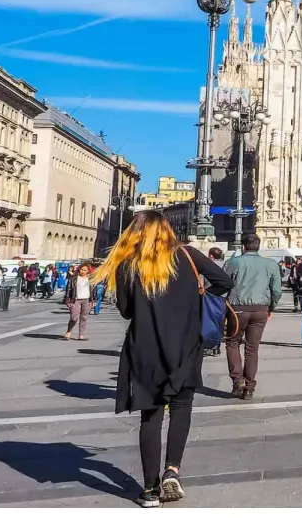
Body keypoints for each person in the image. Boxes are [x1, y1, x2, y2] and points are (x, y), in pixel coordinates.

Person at [92, 210, 233, 507]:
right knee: (182, 409)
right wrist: (197, 296)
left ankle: (149, 490)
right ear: (167, 229)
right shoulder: (189, 255)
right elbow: (223, 282)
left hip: (146, 348)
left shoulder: (128, 264)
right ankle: (173, 470)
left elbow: (127, 311)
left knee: (151, 417)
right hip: (186, 346)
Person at [223, 234, 282, 400]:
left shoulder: (232, 262)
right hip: (260, 309)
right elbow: (276, 290)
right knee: (252, 348)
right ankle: (249, 387)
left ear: (243, 247)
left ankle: (237, 380)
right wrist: (271, 307)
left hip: (236, 309)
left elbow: (222, 285)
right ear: (258, 246)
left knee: (232, 343)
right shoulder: (270, 264)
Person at [62, 262, 95, 341]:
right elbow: (68, 289)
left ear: (88, 271)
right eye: (81, 269)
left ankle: (81, 335)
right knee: (74, 318)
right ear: (79, 269)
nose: (82, 271)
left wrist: (94, 300)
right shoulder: (73, 278)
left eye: (85, 270)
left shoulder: (91, 279)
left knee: (84, 318)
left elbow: (94, 290)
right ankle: (69, 331)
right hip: (75, 300)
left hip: (87, 300)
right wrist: (67, 300)